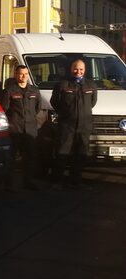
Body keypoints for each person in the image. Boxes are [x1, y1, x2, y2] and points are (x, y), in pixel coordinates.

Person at [50, 59, 98, 188]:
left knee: (81, 155)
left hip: (84, 126)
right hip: (67, 126)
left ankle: (76, 181)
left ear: (85, 70)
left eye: (81, 69)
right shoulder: (63, 85)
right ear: (71, 69)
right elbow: (55, 102)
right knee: (62, 153)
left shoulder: (91, 85)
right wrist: (67, 114)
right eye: (76, 69)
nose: (78, 71)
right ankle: (57, 181)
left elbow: (92, 103)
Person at [1, 65, 41, 190]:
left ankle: (28, 182)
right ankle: (9, 184)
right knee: (11, 157)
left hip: (30, 130)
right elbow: (4, 108)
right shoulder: (10, 90)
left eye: (26, 74)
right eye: (21, 74)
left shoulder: (34, 90)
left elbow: (37, 108)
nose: (23, 76)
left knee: (30, 157)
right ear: (15, 75)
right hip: (15, 129)